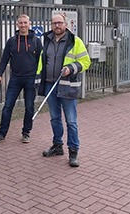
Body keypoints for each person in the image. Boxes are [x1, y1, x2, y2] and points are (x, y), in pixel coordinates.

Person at [37, 14, 91, 167]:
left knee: (71, 121)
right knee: (54, 118)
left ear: (66, 24)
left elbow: (85, 61)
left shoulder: (75, 41)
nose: (57, 26)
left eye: (60, 23)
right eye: (54, 23)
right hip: (50, 85)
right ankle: (57, 145)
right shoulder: (46, 40)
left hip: (67, 86)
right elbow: (43, 62)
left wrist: (71, 68)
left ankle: (73, 151)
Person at [0, 14, 42, 145]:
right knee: (7, 106)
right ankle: (1, 133)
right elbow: (4, 59)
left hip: (30, 79)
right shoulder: (11, 41)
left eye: (25, 23)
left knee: (29, 107)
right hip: (15, 78)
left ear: (29, 24)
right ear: (17, 25)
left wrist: (39, 77)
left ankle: (26, 133)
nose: (23, 25)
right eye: (21, 23)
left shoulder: (36, 41)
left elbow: (40, 61)